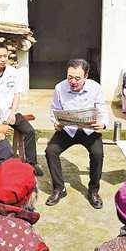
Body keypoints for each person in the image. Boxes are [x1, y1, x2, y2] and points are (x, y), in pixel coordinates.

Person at [45, 59, 109, 208]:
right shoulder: (60, 88)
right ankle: (59, 188)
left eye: (77, 78)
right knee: (50, 151)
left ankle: (93, 191)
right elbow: (54, 109)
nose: (73, 81)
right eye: (70, 77)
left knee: (98, 154)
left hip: (89, 130)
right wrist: (56, 122)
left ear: (86, 76)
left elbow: (102, 109)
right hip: (68, 129)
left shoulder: (96, 88)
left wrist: (103, 124)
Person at [0, 42, 43, 175]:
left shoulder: (14, 73)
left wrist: (12, 113)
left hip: (10, 112)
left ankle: (32, 163)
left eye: (5, 56)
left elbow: (16, 95)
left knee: (29, 131)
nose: (3, 59)